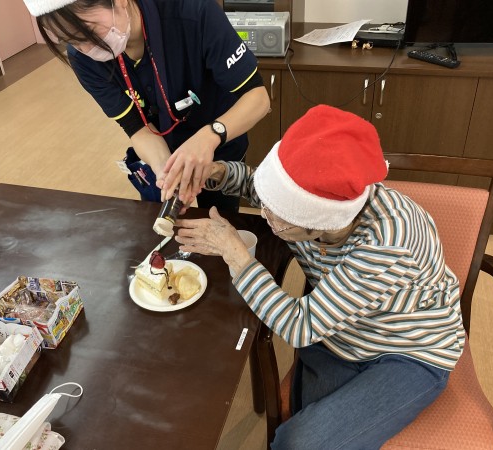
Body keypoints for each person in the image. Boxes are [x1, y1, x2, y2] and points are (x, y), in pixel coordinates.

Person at [174, 105, 465, 449]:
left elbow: (299, 325)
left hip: (407, 350)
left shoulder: (388, 242)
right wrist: (217, 173)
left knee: (298, 442)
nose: (265, 215)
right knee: (300, 433)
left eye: (277, 218)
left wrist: (235, 254)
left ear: (319, 224)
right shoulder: (314, 204)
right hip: (338, 335)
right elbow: (261, 188)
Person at [22, 0, 270, 211]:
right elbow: (137, 128)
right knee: (162, 226)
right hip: (163, 146)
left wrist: (209, 137)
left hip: (222, 138)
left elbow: (258, 98)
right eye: (71, 40)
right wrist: (165, 172)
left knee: (221, 218)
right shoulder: (83, 59)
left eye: (88, 31)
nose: (87, 48)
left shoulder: (192, 11)